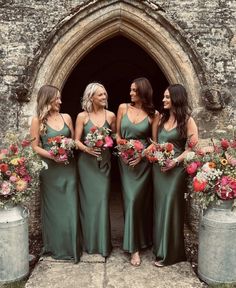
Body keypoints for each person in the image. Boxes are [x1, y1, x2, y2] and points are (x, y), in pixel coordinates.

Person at [30, 84, 82, 263]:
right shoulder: (38, 121)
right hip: (50, 171)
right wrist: (53, 155)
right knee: (54, 210)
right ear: (48, 99)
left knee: (70, 206)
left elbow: (73, 141)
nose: (60, 101)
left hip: (68, 167)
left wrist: (67, 147)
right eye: (57, 98)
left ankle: (72, 247)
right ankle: (55, 246)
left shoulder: (66, 117)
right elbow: (35, 146)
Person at [151, 83, 198, 267]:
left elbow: (192, 149)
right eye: (164, 96)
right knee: (160, 208)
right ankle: (159, 248)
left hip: (175, 170)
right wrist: (154, 154)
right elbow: (155, 143)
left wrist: (175, 161)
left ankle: (170, 254)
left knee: (171, 206)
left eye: (167, 97)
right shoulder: (161, 119)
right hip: (159, 170)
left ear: (177, 98)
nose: (163, 100)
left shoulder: (188, 121)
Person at [116, 77, 157, 266]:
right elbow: (117, 134)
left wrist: (141, 155)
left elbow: (154, 143)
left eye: (134, 90)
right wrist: (123, 148)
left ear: (143, 92)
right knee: (130, 201)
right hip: (125, 163)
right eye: (130, 90)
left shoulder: (153, 114)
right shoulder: (123, 108)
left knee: (138, 203)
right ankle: (134, 249)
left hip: (142, 165)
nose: (130, 93)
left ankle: (141, 241)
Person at [75, 82, 116, 257]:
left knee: (102, 202)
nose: (104, 97)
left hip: (104, 164)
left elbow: (114, 138)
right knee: (88, 205)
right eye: (100, 95)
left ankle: (103, 244)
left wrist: (107, 142)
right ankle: (90, 244)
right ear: (91, 97)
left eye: (105, 94)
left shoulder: (111, 116)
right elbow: (76, 141)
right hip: (86, 164)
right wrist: (87, 148)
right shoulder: (82, 117)